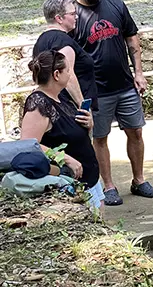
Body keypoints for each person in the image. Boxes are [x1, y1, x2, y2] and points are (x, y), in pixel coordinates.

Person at [71, 0, 153, 205]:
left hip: (124, 84)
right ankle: (108, 186)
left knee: (136, 131)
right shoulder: (73, 16)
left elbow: (132, 39)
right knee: (100, 137)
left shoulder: (116, 4)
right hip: (96, 90)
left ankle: (139, 180)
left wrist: (138, 73)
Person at [19, 50, 104, 209]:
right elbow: (28, 144)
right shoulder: (39, 104)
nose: (71, 73)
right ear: (57, 74)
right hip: (70, 184)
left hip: (89, 178)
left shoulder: (60, 95)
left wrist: (88, 124)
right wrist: (65, 158)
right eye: (68, 70)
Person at [33, 0, 98, 110]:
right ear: (59, 18)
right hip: (71, 109)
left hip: (53, 106)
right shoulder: (63, 41)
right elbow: (68, 76)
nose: (76, 17)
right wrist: (83, 106)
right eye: (72, 14)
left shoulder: (41, 40)